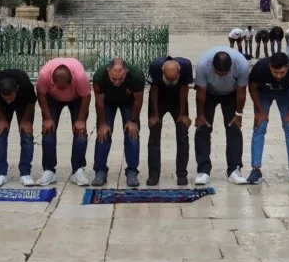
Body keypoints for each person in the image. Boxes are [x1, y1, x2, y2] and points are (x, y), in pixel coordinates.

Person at [193, 46, 251, 186]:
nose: (222, 76)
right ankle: (203, 171)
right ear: (212, 65)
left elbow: (242, 91)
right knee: (203, 128)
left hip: (231, 94)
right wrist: (200, 115)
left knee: (234, 128)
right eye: (218, 73)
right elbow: (200, 92)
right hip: (208, 93)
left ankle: (234, 170)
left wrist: (238, 114)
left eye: (225, 73)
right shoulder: (202, 65)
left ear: (231, 67)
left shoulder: (242, 65)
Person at [247, 52, 289, 185]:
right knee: (259, 126)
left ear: (287, 67)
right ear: (270, 67)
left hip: (286, 93)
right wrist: (260, 112)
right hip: (263, 93)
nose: (278, 76)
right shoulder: (259, 68)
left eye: (282, 73)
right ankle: (255, 169)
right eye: (275, 72)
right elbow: (252, 89)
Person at [36, 57, 92, 186]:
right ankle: (49, 171)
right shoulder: (44, 75)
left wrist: (81, 120)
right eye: (58, 86)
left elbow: (86, 97)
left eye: (64, 87)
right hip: (52, 99)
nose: (61, 90)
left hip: (77, 99)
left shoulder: (80, 77)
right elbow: (41, 94)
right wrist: (47, 118)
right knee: (48, 131)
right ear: (52, 80)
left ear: (71, 80)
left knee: (80, 132)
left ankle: (77, 170)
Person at [91, 57, 144, 188]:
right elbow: (99, 101)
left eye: (120, 79)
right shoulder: (99, 76)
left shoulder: (137, 75)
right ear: (108, 71)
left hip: (129, 102)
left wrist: (133, 121)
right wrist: (102, 124)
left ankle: (132, 171)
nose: (117, 82)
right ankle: (100, 171)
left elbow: (138, 100)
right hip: (107, 103)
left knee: (132, 134)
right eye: (113, 78)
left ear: (126, 72)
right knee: (103, 134)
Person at [147, 55, 193, 186]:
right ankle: (153, 175)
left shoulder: (186, 66)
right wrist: (154, 115)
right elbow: (154, 89)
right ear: (162, 72)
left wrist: (183, 114)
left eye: (174, 79)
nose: (171, 81)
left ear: (179, 72)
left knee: (183, 135)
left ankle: (182, 174)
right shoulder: (155, 67)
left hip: (178, 100)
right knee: (154, 134)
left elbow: (184, 88)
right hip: (159, 99)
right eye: (168, 79)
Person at [0, 68, 37, 187]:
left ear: (17, 89)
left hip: (24, 104)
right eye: (6, 98)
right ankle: (1, 173)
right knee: (0, 134)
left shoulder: (25, 84)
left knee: (26, 135)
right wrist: (1, 118)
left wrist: (25, 120)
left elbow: (32, 102)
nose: (9, 101)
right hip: (2, 107)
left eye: (11, 98)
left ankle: (25, 173)